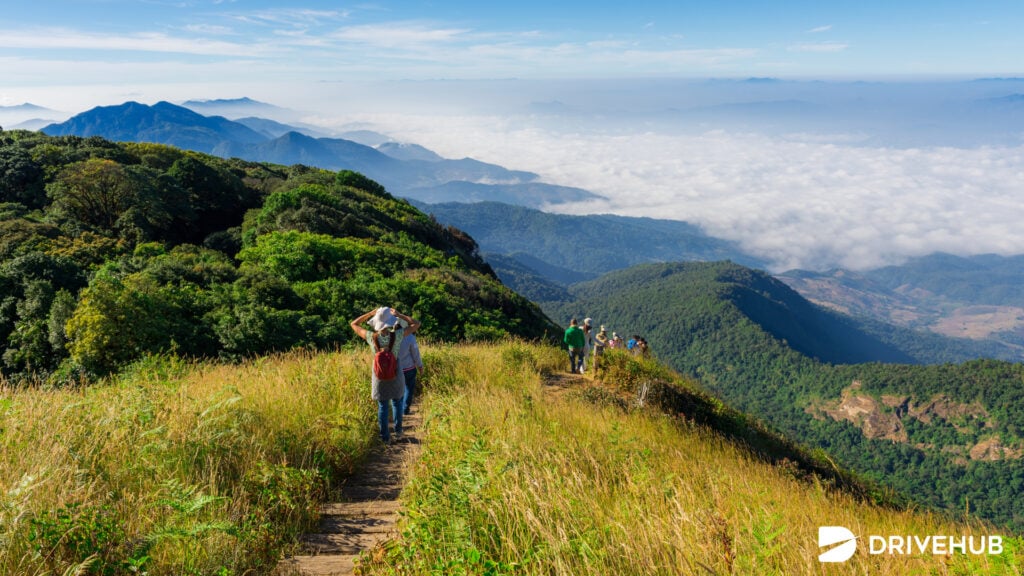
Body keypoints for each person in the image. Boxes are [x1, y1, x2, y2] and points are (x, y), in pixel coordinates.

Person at [350, 306, 421, 444]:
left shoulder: (371, 337)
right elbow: (416, 324)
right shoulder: (397, 335)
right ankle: (398, 432)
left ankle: (385, 437)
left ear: (376, 321)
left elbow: (354, 324)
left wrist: (370, 313)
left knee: (382, 406)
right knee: (397, 402)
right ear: (390, 322)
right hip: (395, 373)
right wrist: (400, 315)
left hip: (379, 376)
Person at [398, 330, 423, 415]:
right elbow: (416, 354)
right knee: (408, 389)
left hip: (396, 369)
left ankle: (397, 410)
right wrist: (420, 366)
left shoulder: (391, 336)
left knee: (398, 390)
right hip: (409, 368)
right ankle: (405, 409)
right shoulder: (410, 337)